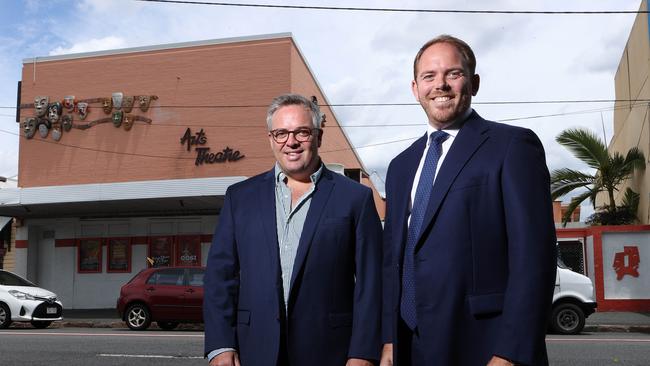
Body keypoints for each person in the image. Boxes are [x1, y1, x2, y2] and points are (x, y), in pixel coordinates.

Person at [380, 35, 557, 366]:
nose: (441, 85)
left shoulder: (512, 146)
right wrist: (389, 339)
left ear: (473, 83)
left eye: (453, 73)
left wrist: (510, 353)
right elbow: (394, 260)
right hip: (409, 345)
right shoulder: (400, 166)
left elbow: (534, 256)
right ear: (415, 88)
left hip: (483, 346)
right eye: (429, 76)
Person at [204, 94, 382, 366]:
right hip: (253, 350)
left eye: (302, 132)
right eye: (281, 133)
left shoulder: (355, 199)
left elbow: (371, 283)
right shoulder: (240, 197)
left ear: (318, 137)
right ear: (271, 139)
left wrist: (363, 353)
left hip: (330, 352)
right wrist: (220, 345)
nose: (291, 142)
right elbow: (220, 277)